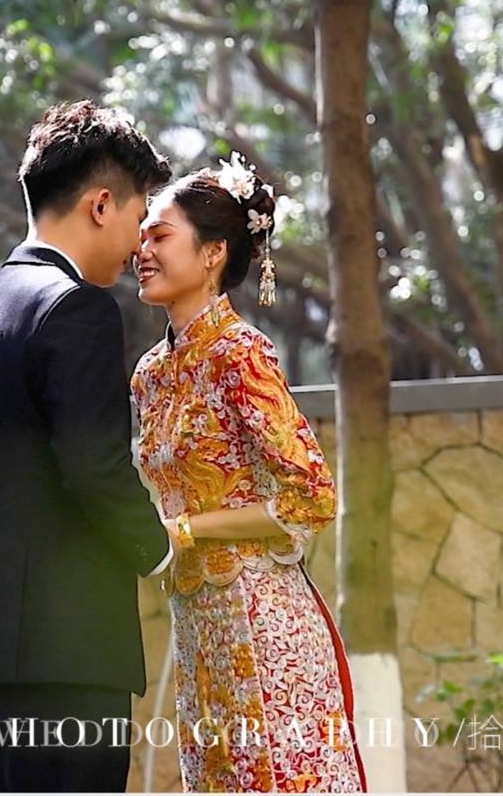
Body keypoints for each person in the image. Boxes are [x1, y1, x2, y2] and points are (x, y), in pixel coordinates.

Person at [0, 100, 178, 792]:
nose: (138, 244)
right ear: (100, 205)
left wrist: (9, 552)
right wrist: (159, 550)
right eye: (138, 216)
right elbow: (94, 466)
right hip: (64, 649)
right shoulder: (76, 308)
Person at [131, 154, 368, 792]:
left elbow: (310, 497)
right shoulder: (150, 374)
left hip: (262, 617)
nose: (142, 250)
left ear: (213, 253)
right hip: (197, 625)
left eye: (160, 235)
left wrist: (188, 529)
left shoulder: (241, 354)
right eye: (141, 236)